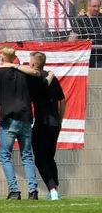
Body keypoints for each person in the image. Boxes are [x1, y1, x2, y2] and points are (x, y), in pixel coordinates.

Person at [0, 46, 44, 199]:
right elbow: (39, 77)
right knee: (27, 156)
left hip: (9, 118)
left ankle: (14, 190)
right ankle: (33, 191)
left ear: (2, 57)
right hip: (25, 118)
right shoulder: (23, 72)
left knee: (5, 156)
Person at [27, 51, 65, 200]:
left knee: (40, 158)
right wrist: (60, 120)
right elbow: (62, 100)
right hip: (54, 123)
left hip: (42, 122)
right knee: (49, 157)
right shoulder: (53, 79)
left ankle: (53, 189)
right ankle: (55, 188)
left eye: (30, 62)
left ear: (34, 64)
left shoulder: (36, 79)